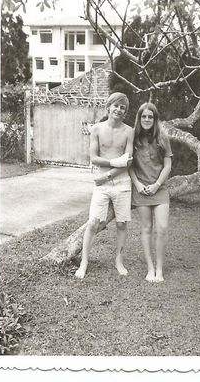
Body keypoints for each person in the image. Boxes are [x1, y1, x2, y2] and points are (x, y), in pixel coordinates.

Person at [75, 92, 134, 279]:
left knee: (122, 223)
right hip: (102, 186)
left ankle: (118, 260)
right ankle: (84, 262)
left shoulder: (129, 131)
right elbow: (94, 158)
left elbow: (129, 161)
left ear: (125, 112)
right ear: (108, 107)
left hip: (122, 183)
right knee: (93, 222)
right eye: (115, 105)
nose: (118, 109)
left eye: (122, 107)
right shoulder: (97, 129)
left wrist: (108, 173)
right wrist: (118, 163)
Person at [129, 102, 172, 283]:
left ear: (155, 119)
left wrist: (156, 185)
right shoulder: (133, 138)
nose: (147, 119)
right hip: (141, 190)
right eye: (143, 116)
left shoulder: (163, 138)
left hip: (159, 189)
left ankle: (160, 269)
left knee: (161, 228)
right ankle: (150, 268)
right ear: (139, 118)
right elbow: (129, 166)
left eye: (150, 117)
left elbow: (168, 165)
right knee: (146, 229)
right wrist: (137, 184)